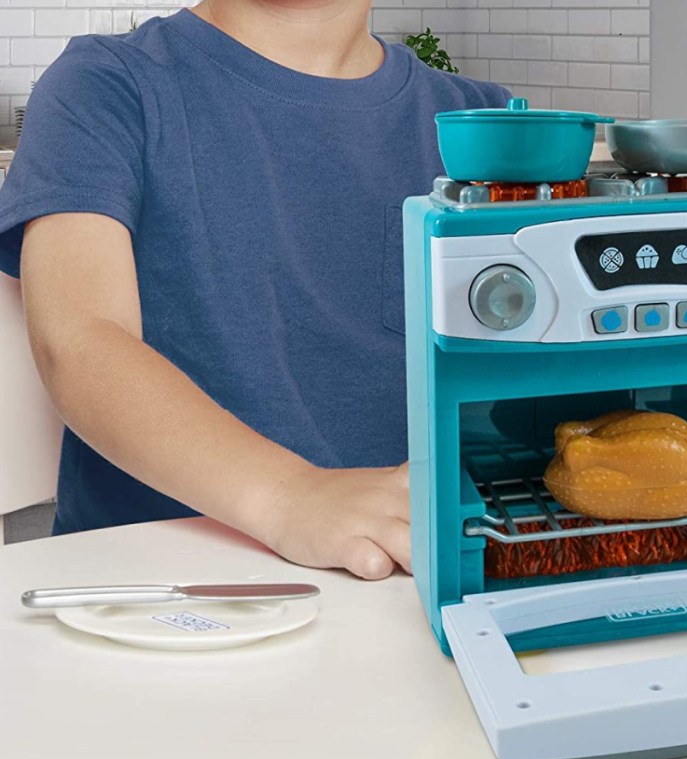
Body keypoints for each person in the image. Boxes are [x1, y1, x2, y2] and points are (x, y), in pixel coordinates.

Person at [0, 0, 508, 579]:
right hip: (160, 592)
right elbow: (81, 339)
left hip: (415, 581)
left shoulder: (480, 120)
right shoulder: (105, 85)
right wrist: (290, 496)